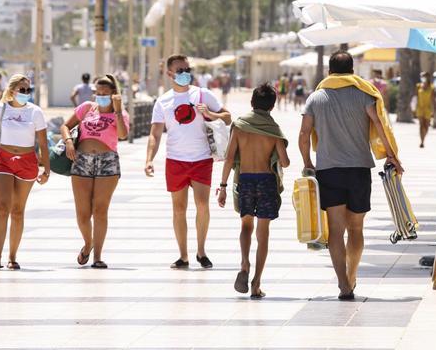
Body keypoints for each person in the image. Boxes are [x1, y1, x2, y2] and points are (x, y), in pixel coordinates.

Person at [299, 51, 402, 300]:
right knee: (356, 229)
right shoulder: (364, 95)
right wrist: (391, 155)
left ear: (330, 71)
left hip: (328, 170)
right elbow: (379, 124)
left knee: (336, 230)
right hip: (358, 170)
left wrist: (307, 163)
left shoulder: (316, 98)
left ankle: (343, 284)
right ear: (352, 70)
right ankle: (352, 275)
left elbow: (303, 135)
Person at [145, 55, 232, 269]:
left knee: (202, 205)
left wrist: (209, 113)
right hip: (175, 160)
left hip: (201, 158)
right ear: (169, 74)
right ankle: (183, 256)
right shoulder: (163, 101)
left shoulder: (203, 94)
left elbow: (228, 117)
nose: (185, 72)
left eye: (187, 69)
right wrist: (149, 159)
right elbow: (154, 133)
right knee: (178, 209)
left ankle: (201, 252)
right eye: (180, 69)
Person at [218, 83, 289, 299]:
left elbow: (229, 158)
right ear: (272, 105)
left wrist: (222, 186)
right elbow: (284, 163)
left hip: (246, 180)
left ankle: (244, 263)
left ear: (252, 103)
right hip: (267, 181)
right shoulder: (274, 130)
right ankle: (256, 282)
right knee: (263, 233)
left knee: (246, 225)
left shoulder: (239, 126)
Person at [0, 74, 50, 270]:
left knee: (18, 211)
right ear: (11, 91)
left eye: (28, 90)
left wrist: (46, 170)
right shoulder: (1, 110)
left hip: (27, 162)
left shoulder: (35, 112)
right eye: (22, 90)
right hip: (3, 160)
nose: (26, 93)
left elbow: (43, 143)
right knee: (2, 207)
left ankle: (12, 257)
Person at [60, 74, 129, 269]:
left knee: (100, 210)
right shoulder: (87, 108)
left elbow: (123, 135)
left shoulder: (121, 114)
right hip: (81, 160)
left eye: (105, 93)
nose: (101, 96)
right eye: (98, 93)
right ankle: (88, 243)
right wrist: (68, 143)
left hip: (107, 161)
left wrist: (117, 110)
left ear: (114, 94)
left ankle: (98, 255)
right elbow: (65, 126)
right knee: (83, 213)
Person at [415, 72, 436, 148]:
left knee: (426, 126)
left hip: (428, 108)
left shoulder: (432, 87)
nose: (423, 78)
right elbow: (416, 97)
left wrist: (434, 110)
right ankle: (422, 141)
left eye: (424, 76)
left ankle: (423, 137)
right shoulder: (418, 86)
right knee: (421, 125)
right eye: (422, 76)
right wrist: (414, 108)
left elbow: (433, 99)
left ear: (428, 77)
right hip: (420, 108)